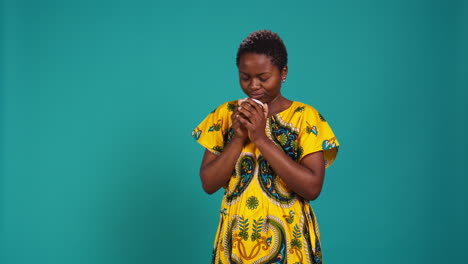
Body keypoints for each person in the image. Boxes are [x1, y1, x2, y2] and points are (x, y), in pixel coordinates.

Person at [192, 30, 339, 264]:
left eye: (263, 77)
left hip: (291, 244)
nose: (254, 86)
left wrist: (260, 138)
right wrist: (238, 138)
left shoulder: (306, 119)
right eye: (245, 77)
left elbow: (312, 188)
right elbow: (209, 184)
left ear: (283, 73)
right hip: (236, 244)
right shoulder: (225, 116)